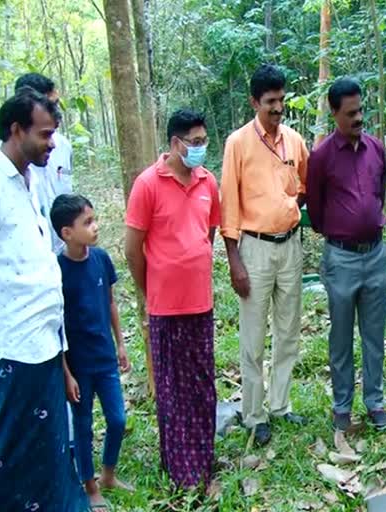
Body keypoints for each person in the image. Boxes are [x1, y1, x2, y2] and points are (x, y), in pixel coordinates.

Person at [0, 89, 88, 511]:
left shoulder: (28, 179)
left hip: (46, 338)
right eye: (45, 135)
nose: (52, 144)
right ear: (16, 130)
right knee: (18, 444)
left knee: (50, 443)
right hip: (19, 340)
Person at [125, 109, 220, 490]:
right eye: (194, 143)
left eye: (203, 141)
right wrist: (152, 290)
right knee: (172, 390)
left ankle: (204, 459)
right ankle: (181, 469)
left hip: (201, 303)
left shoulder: (208, 182)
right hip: (165, 307)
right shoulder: (147, 184)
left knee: (201, 385)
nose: (200, 149)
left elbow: (208, 232)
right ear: (175, 144)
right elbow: (133, 249)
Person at [220, 64, 309, 446]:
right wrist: (235, 260)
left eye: (281, 100)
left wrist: (290, 209)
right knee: (253, 336)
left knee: (288, 332)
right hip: (253, 248)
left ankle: (280, 406)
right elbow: (228, 205)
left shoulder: (294, 140)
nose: (277, 108)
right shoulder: (237, 143)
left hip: (289, 245)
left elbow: (304, 184)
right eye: (270, 101)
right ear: (254, 101)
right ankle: (254, 415)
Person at [307, 77, 386, 432]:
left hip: (375, 255)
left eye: (361, 110)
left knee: (374, 335)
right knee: (341, 335)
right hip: (340, 258)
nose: (358, 118)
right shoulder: (322, 156)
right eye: (350, 113)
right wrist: (343, 231)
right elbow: (316, 208)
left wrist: (366, 224)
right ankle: (342, 406)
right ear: (334, 112)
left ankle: (375, 402)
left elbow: (380, 193)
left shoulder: (376, 149)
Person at [51, 194, 133, 511]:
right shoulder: (57, 271)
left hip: (105, 358)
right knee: (82, 425)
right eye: (87, 222)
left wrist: (121, 343)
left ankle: (108, 474)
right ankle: (89, 485)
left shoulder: (100, 259)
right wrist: (66, 373)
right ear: (66, 233)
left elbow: (110, 302)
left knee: (117, 419)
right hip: (78, 365)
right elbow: (55, 323)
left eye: (94, 218)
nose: (95, 226)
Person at [13, 73, 74, 253]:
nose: (58, 113)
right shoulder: (3, 167)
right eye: (51, 105)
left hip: (64, 252)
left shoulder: (63, 146)